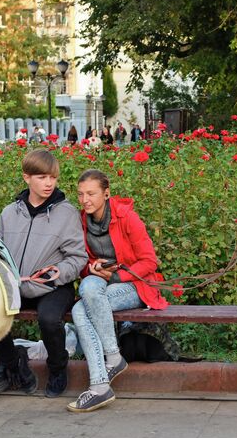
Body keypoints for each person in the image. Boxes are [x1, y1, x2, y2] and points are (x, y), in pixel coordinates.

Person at [67, 169, 168, 412]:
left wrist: (116, 275)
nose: (85, 200)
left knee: (81, 308)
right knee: (88, 288)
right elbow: (82, 261)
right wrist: (91, 268)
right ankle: (103, 380)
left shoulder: (127, 217)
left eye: (91, 193)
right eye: (80, 194)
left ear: (106, 193)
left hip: (136, 285)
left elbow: (149, 261)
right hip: (102, 282)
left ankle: (107, 370)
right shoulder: (81, 221)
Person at [0, 149, 88, 398]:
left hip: (53, 287)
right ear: (27, 177)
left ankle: (57, 369)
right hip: (16, 286)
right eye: (42, 177)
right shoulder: (9, 213)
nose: (48, 183)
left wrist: (58, 272)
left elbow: (77, 257)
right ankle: (15, 366)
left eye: (53, 178)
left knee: (48, 319)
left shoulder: (66, 213)